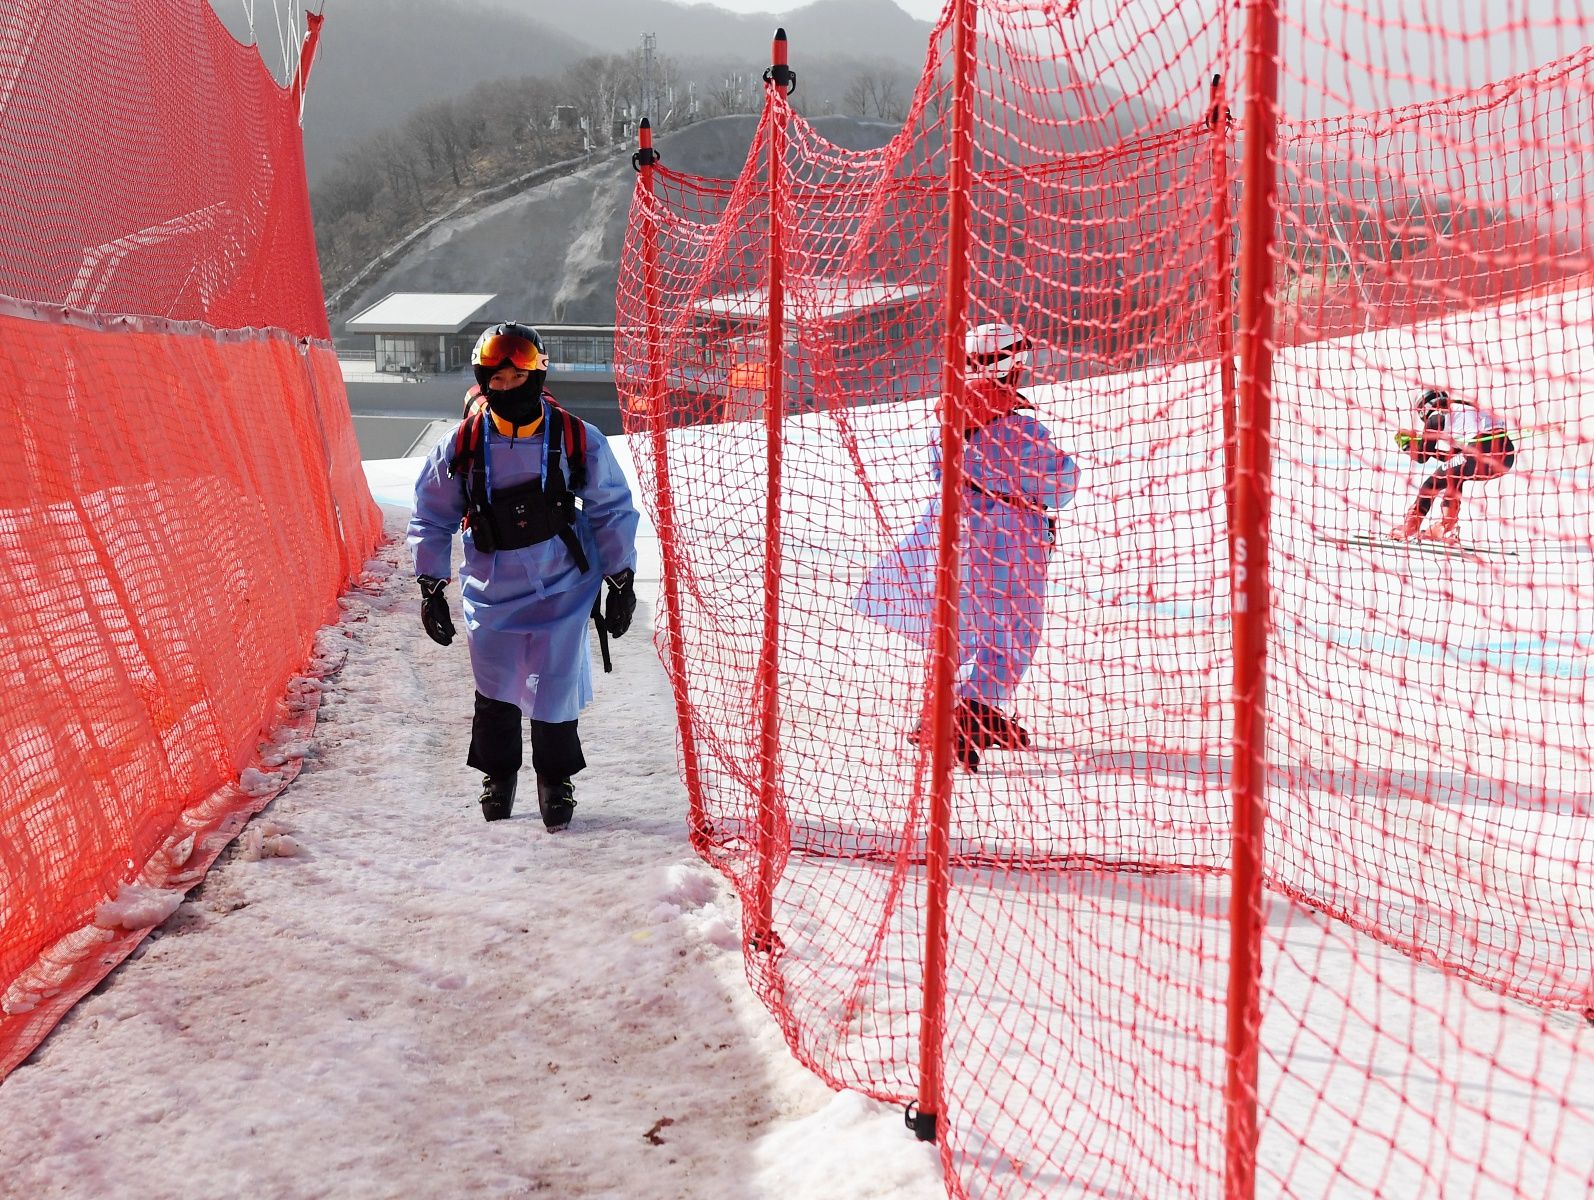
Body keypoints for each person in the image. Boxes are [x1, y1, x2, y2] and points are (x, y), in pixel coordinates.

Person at [409, 322, 640, 829]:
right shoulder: (461, 446)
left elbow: (612, 509)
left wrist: (621, 578)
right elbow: (431, 516)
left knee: (555, 684)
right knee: (494, 682)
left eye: (518, 377)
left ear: (537, 375)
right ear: (483, 381)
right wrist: (431, 586)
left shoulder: (577, 438)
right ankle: (498, 774)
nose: (507, 388)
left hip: (564, 582)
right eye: (498, 380)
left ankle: (556, 779)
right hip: (492, 584)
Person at [853, 321, 1079, 770]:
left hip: (951, 533)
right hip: (1008, 541)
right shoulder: (1020, 429)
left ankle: (943, 709)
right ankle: (970, 712)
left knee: (958, 626)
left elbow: (940, 472)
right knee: (1013, 629)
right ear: (1015, 368)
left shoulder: (950, 417)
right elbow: (1060, 484)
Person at [1392, 387, 1516, 545]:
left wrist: (1408, 447)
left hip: (1481, 451)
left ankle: (1410, 528)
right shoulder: (1461, 411)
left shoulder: (1436, 417)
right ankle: (1446, 527)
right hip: (1505, 458)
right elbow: (1455, 459)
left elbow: (1422, 456)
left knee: (1432, 483)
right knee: (1453, 476)